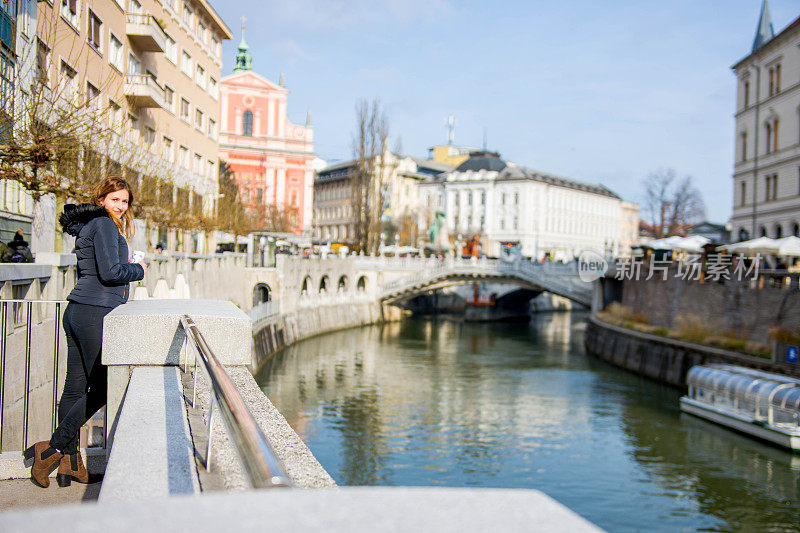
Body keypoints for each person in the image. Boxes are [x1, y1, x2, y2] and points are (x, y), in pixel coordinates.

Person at [24, 176, 146, 488]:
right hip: (95, 312)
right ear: (102, 198)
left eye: (124, 201)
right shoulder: (104, 225)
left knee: (75, 389)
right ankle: (50, 449)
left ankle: (70, 463)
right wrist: (139, 269)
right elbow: (111, 273)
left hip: (77, 310)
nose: (119, 206)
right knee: (105, 386)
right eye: (114, 199)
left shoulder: (90, 225)